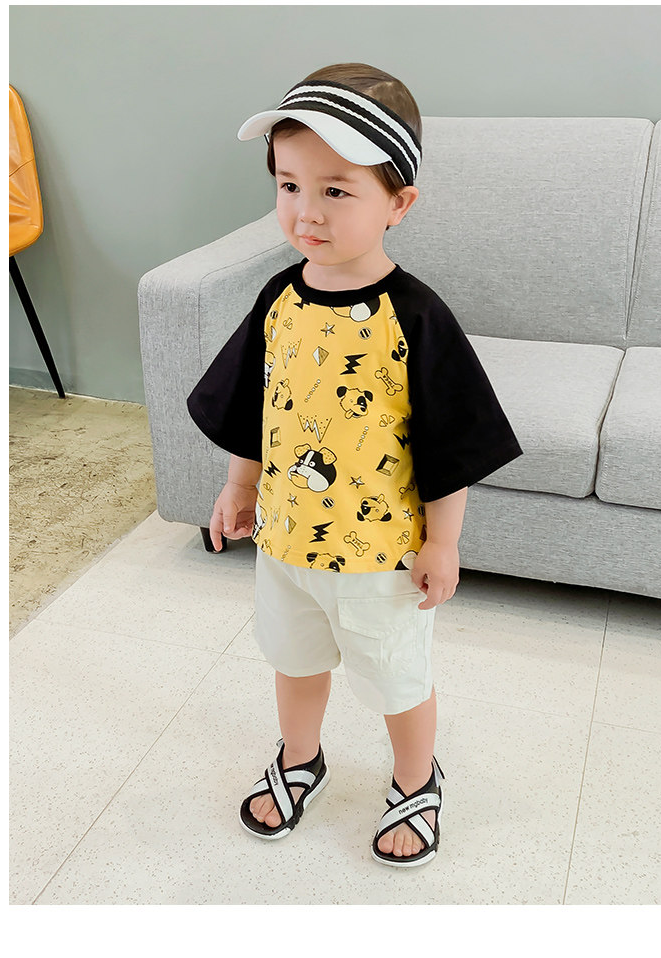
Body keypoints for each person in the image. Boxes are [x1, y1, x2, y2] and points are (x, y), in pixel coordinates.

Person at [187, 63, 522, 867]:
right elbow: (254, 405)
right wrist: (238, 486)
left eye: (336, 191)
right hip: (286, 544)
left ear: (398, 204)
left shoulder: (417, 318)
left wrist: (443, 543)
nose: (306, 211)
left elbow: (452, 443)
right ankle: (301, 759)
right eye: (290, 185)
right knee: (294, 662)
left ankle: (416, 779)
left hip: (379, 558)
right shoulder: (278, 299)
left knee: (396, 678)